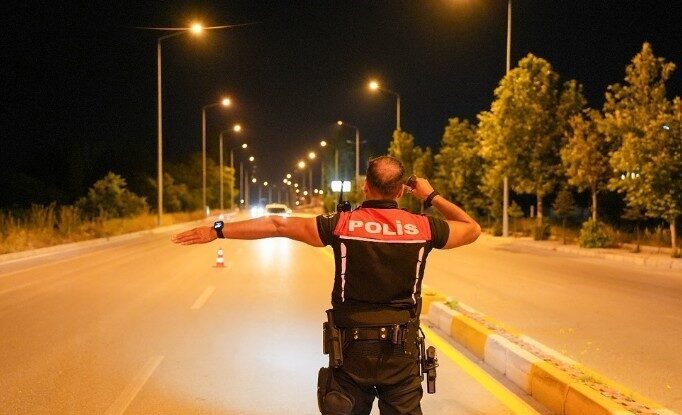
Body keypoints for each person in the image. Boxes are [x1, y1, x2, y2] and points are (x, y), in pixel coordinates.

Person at [171, 155, 481, 415]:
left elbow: (276, 224)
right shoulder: (422, 227)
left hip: (350, 353)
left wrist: (218, 230)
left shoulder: (341, 224)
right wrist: (430, 196)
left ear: (365, 185)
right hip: (401, 353)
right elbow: (471, 228)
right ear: (401, 190)